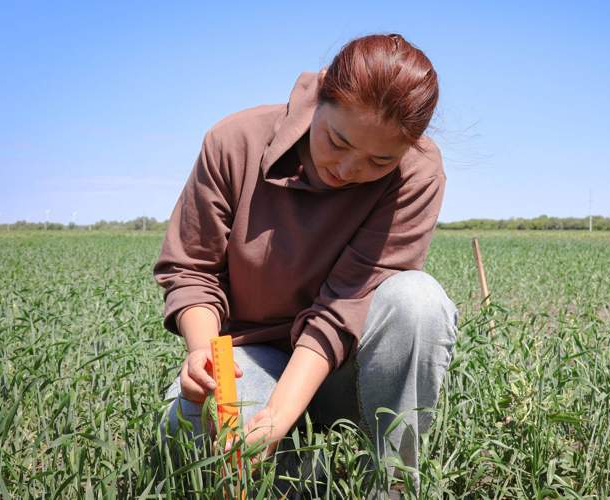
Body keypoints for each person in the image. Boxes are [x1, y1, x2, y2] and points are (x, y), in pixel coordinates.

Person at [153, 33, 458, 497]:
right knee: (186, 433)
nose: (349, 168)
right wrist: (203, 355)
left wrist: (278, 415)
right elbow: (193, 270)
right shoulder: (234, 141)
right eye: (338, 140)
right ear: (320, 95)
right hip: (250, 355)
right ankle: (302, 472)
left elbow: (344, 308)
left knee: (418, 301)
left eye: (379, 160)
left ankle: (391, 484)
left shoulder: (418, 172)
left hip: (348, 367)